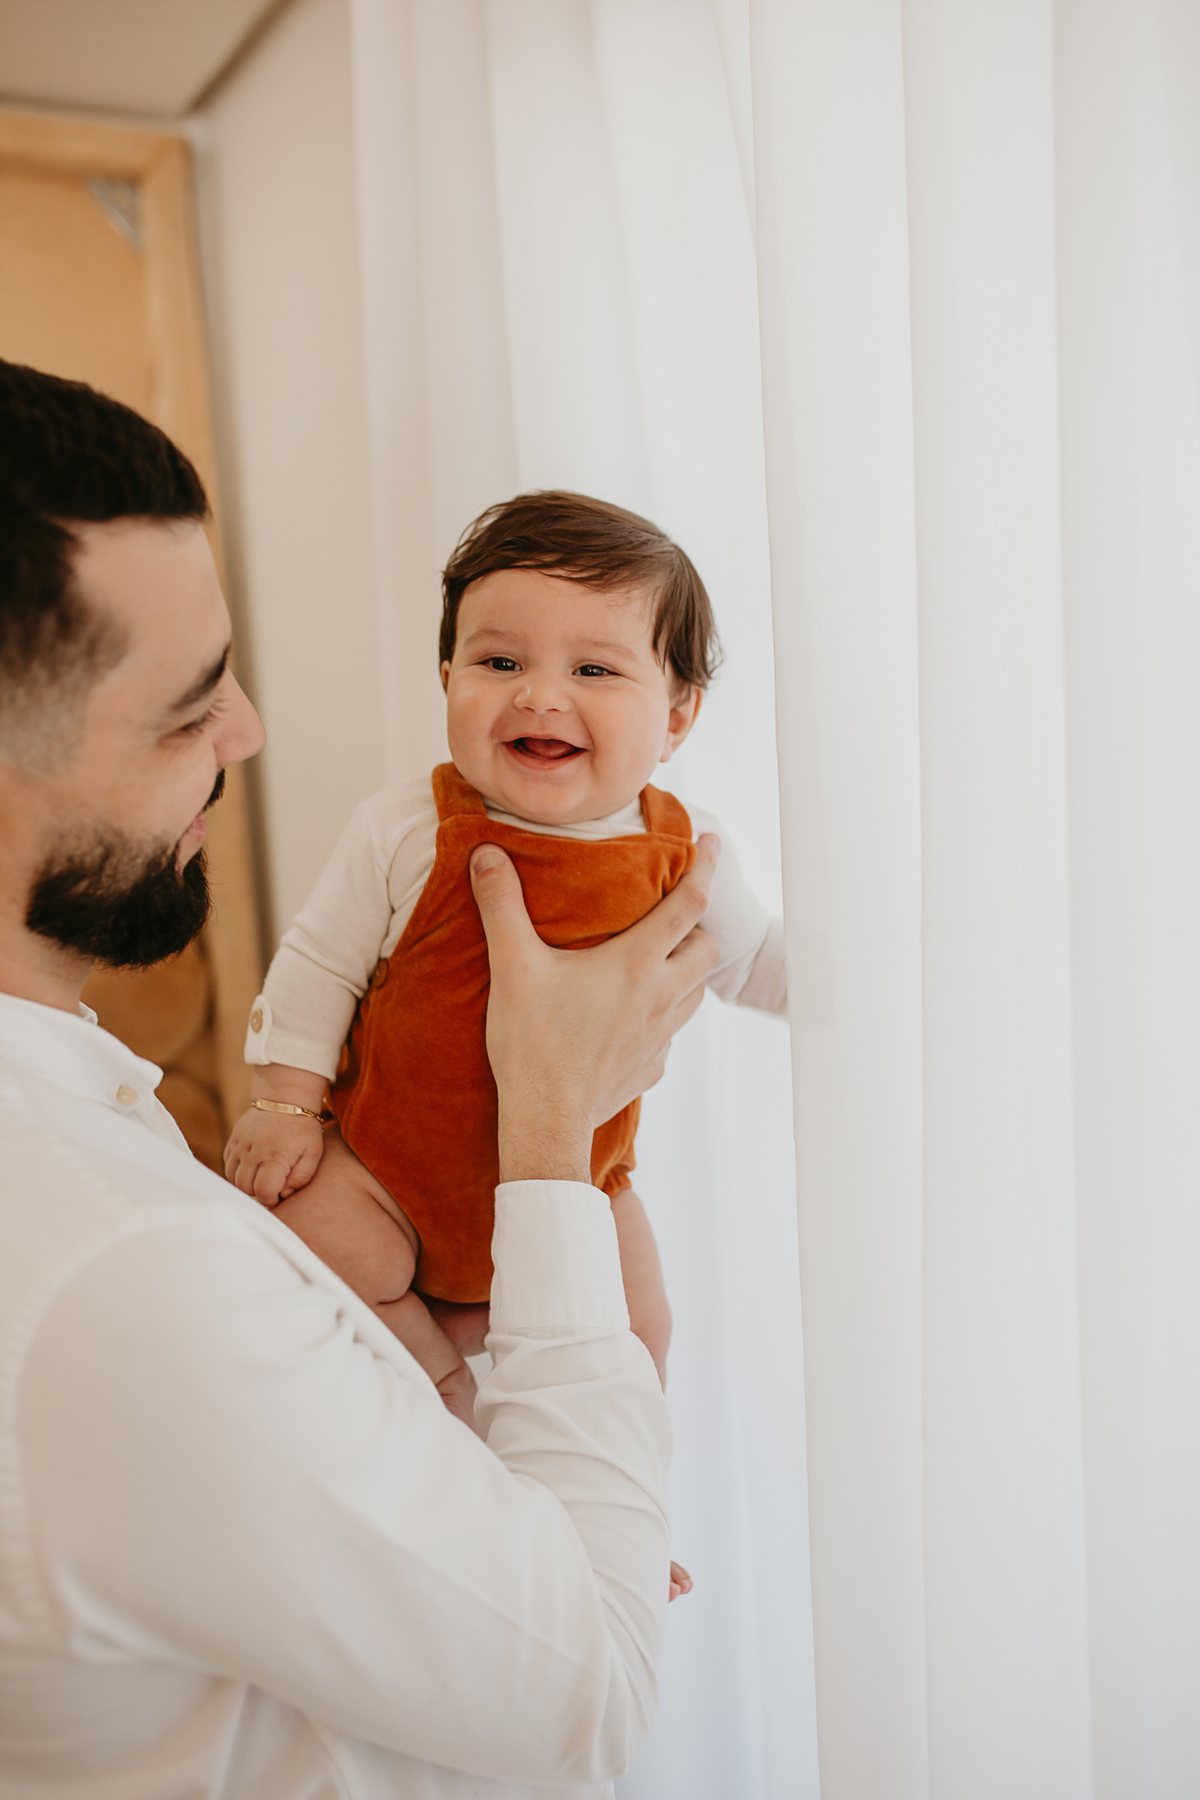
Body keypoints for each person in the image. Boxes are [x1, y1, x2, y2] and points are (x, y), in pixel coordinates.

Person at [0, 360, 720, 1799]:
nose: (248, 732)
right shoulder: (117, 1270)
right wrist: (548, 1129)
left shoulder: (93, 1157)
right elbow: (591, 1699)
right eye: (187, 709)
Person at [224, 494, 787, 1457]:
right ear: (448, 678)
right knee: (308, 1241)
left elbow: (758, 964)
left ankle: (622, 1472)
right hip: (384, 1178)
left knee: (641, 1327)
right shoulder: (410, 827)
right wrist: (283, 1103)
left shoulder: (683, 855)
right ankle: (445, 1386)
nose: (539, 697)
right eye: (499, 663)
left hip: (582, 1188)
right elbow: (318, 964)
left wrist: (877, 985)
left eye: (593, 670)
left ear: (677, 715)